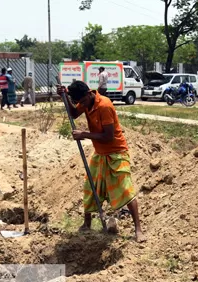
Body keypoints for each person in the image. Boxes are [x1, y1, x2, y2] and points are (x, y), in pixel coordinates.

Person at [57, 81, 145, 242]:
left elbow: (108, 136)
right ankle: (87, 224)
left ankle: (138, 230)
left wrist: (84, 134)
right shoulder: (86, 102)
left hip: (116, 153)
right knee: (90, 187)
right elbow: (74, 113)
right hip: (100, 154)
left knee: (125, 189)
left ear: (89, 93)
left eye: (82, 101)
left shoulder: (103, 105)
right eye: (79, 102)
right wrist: (63, 96)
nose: (81, 105)